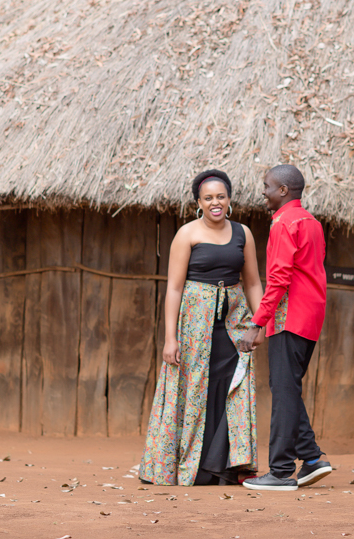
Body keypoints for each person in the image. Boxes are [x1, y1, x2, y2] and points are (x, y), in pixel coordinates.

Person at [140, 169, 264, 485]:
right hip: (195, 329)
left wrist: (260, 322)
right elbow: (174, 289)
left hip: (234, 328)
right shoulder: (187, 234)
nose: (215, 203)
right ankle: (187, 467)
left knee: (230, 391)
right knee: (194, 391)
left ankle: (222, 466)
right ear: (199, 202)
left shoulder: (243, 233)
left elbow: (251, 282)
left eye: (220, 196)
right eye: (208, 198)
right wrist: (170, 338)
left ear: (229, 199)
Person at [238, 164, 332, 492]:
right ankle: (311, 459)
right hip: (310, 318)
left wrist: (256, 324)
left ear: (282, 191)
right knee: (286, 387)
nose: (262, 191)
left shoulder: (283, 224)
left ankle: (279, 471)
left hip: (288, 318)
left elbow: (278, 279)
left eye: (267, 185)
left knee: (284, 390)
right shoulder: (312, 223)